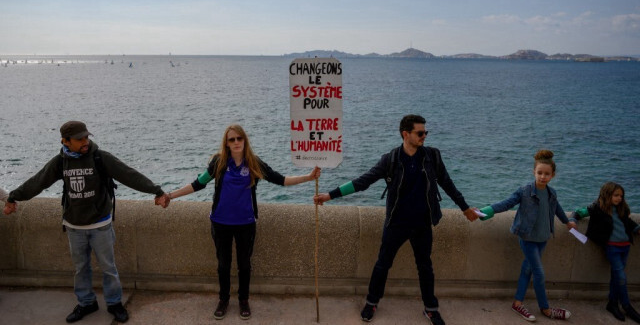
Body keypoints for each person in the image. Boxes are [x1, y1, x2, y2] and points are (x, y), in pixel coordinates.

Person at [314, 114, 478, 325]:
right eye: (420, 133)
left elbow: (447, 183)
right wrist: (330, 195)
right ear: (405, 134)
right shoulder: (391, 159)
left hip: (423, 223)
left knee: (425, 267)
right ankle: (372, 302)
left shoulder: (432, 157)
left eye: (425, 132)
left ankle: (430, 308)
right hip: (396, 223)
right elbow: (363, 181)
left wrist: (465, 208)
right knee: (383, 264)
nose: (424, 136)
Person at [3, 121, 170, 323]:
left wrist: (157, 191)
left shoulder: (100, 157)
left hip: (100, 224)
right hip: (74, 226)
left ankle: (114, 303)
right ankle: (86, 303)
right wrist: (13, 197)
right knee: (81, 268)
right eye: (79, 139)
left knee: (109, 267)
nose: (85, 141)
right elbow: (39, 181)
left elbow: (129, 175)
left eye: (86, 137)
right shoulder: (60, 162)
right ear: (65, 141)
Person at [166, 124, 320, 321]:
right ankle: (223, 300)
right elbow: (198, 183)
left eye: (239, 138)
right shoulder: (219, 162)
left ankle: (243, 300)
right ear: (227, 143)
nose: (236, 142)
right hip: (220, 222)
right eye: (232, 139)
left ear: (244, 140)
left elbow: (281, 180)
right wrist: (171, 195)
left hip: (246, 223)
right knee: (223, 264)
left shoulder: (254, 163)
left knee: (245, 265)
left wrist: (309, 177)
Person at [478, 149, 572, 322]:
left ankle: (517, 303)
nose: (543, 177)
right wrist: (487, 211)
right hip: (527, 238)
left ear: (553, 175)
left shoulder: (552, 193)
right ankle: (546, 309)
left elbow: (556, 209)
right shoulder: (525, 191)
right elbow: (507, 203)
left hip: (543, 238)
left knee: (527, 270)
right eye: (539, 173)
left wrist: (567, 222)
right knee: (539, 274)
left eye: (547, 174)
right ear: (533, 172)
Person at [568, 182, 640, 323]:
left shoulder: (622, 208)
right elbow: (578, 212)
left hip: (625, 246)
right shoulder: (597, 207)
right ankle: (627, 306)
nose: (619, 198)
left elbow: (627, 222)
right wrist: (572, 220)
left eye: (621, 195)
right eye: (616, 195)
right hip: (612, 247)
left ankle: (612, 304)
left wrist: (637, 228)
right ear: (607, 195)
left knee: (616, 277)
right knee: (621, 277)